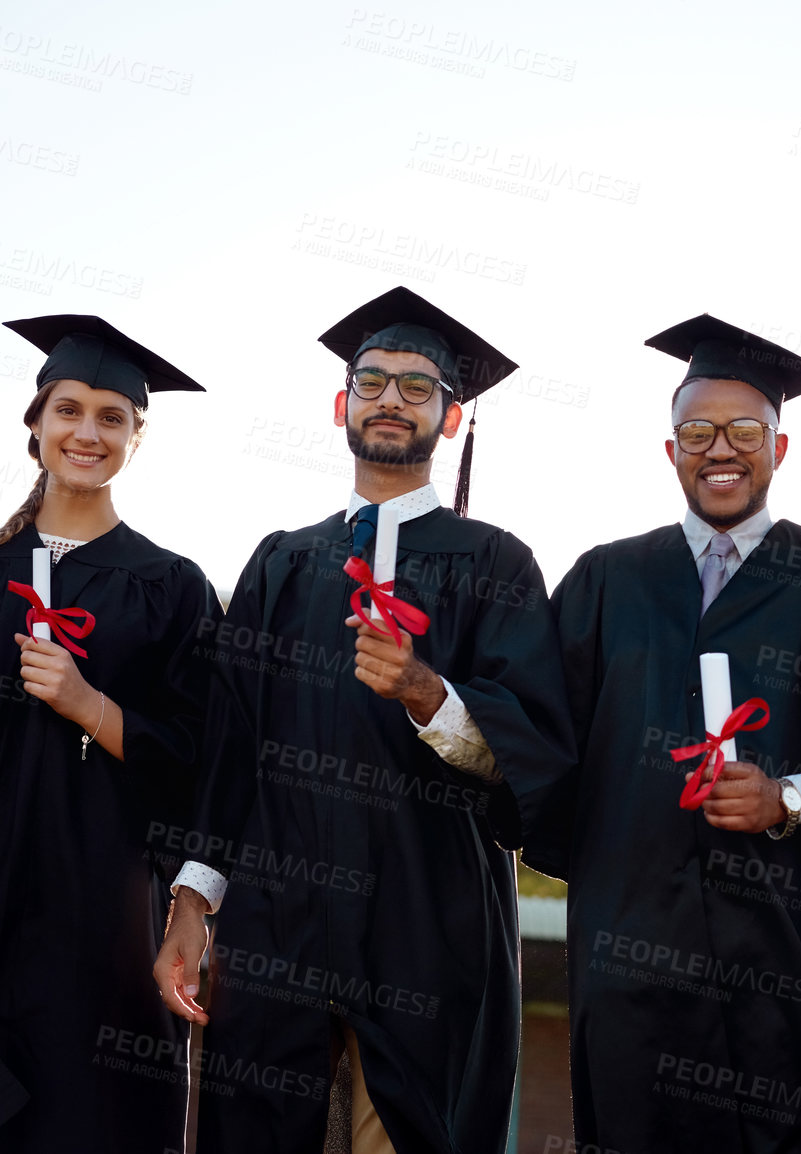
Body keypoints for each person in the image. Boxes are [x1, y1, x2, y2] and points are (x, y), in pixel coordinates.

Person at [151, 286, 576, 1153]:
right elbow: (231, 746)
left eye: (419, 388)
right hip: (278, 919)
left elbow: (535, 748)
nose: (392, 399)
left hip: (430, 921)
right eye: (373, 380)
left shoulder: (495, 562)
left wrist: (428, 692)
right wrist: (192, 902)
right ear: (342, 404)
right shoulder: (283, 562)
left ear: (451, 419)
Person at [522, 315, 801, 1152]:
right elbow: (538, 751)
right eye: (697, 430)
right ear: (671, 450)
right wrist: (439, 697)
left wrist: (789, 798)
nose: (721, 448)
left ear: (780, 449)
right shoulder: (604, 581)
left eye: (745, 429)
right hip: (635, 968)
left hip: (792, 969)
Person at [0, 314, 218, 1153]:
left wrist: (92, 706)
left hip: (94, 925)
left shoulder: (172, 589)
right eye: (68, 410)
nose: (86, 432)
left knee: (86, 1120)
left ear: (139, 438)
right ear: (35, 425)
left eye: (112, 417)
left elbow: (211, 766)